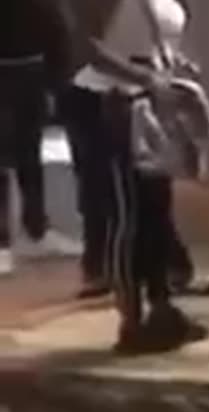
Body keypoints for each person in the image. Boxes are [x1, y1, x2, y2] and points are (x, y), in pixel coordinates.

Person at [57, 0, 209, 353]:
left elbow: (147, 42)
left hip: (149, 103)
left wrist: (172, 69)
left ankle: (160, 308)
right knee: (128, 214)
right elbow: (88, 48)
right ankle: (132, 320)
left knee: (156, 211)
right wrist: (145, 78)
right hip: (111, 103)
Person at [0, 0, 83, 278]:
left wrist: (56, 79)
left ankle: (35, 232)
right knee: (12, 159)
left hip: (31, 71)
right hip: (23, 70)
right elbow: (56, 25)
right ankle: (7, 241)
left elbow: (56, 26)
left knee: (29, 155)